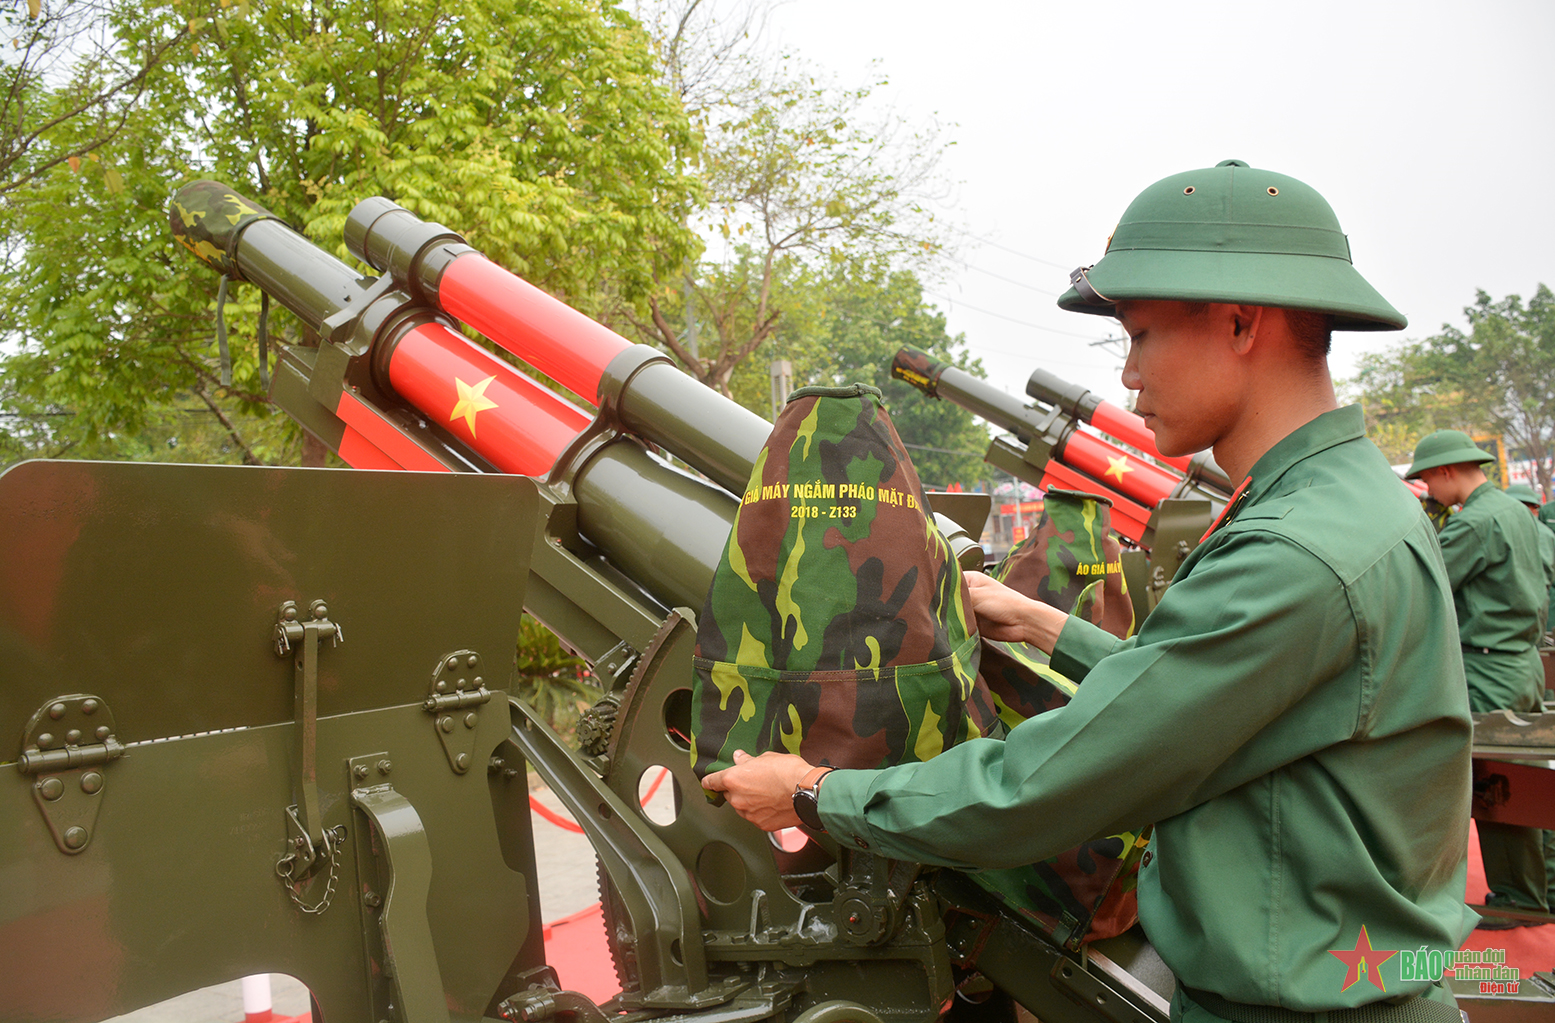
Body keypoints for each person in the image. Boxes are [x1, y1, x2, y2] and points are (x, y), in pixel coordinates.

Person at [704, 160, 1474, 1022]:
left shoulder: (1297, 550)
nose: (1130, 375)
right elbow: (1212, 692)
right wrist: (1039, 622)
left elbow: (1056, 783)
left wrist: (815, 792)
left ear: (1240, 322)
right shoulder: (1340, 502)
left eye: (1140, 335)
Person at [1407, 434, 1548, 926]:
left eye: (1428, 478)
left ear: (1448, 471)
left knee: (1498, 786)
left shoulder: (1477, 522)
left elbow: (1423, 581)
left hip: (1489, 667)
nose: (1428, 489)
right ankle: (1540, 892)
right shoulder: (1514, 512)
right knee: (1533, 783)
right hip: (1522, 662)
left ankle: (1518, 898)